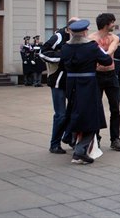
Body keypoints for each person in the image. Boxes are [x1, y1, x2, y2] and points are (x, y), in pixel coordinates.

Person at [61, 19, 112, 164]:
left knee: (74, 113)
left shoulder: (65, 47)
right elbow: (107, 61)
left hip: (71, 84)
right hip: (88, 84)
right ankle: (80, 150)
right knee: (92, 118)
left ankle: (71, 139)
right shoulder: (91, 46)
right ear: (84, 32)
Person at [40, 17, 78, 154]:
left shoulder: (79, 38)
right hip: (58, 81)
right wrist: (62, 57)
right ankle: (54, 144)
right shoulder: (58, 36)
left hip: (74, 81)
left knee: (74, 113)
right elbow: (42, 52)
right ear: (68, 29)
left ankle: (68, 137)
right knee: (61, 114)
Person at [88, 13, 120, 152]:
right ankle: (95, 138)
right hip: (96, 75)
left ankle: (115, 139)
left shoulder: (114, 37)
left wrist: (104, 54)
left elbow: (112, 49)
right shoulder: (91, 38)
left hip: (111, 75)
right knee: (96, 108)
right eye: (112, 22)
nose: (114, 25)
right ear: (106, 24)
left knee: (115, 108)